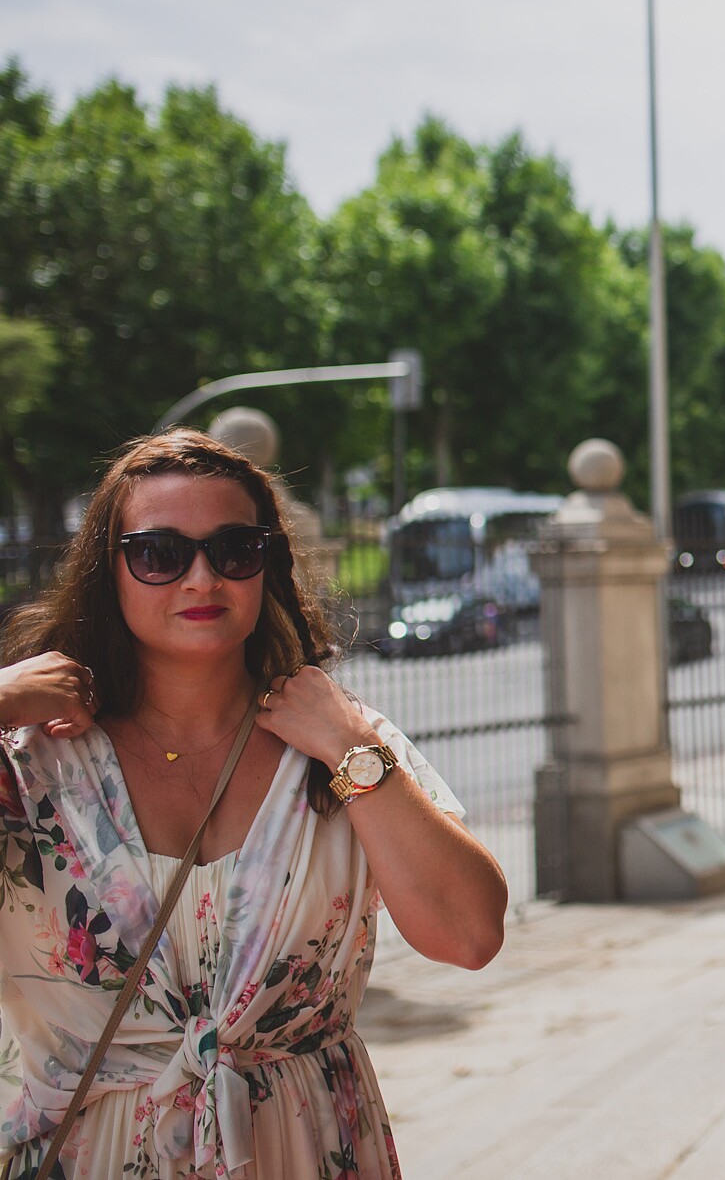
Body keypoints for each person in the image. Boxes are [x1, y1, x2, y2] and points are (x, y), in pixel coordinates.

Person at [0, 429, 507, 1179]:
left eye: (235, 549)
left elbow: (470, 935)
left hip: (301, 1149)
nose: (202, 578)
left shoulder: (343, 748)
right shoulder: (30, 762)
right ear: (109, 571)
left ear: (267, 564)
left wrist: (351, 750)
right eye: (159, 554)